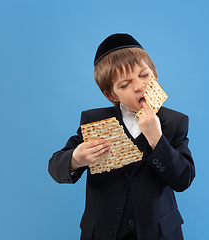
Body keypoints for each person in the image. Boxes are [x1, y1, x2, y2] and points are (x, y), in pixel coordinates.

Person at [48, 33, 195, 240]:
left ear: (154, 74)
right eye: (125, 85)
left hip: (158, 233)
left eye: (144, 75)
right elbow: (55, 166)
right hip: (102, 232)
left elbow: (183, 179)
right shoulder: (94, 122)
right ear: (112, 95)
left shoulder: (174, 122)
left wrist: (156, 139)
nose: (139, 86)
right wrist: (76, 159)